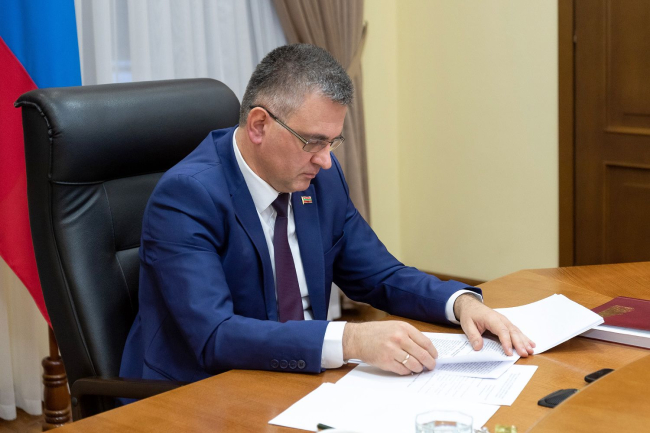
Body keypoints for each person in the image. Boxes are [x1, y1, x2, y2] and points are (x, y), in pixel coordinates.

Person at [119, 44, 534, 384]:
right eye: (313, 142)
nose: (325, 160)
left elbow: (380, 275)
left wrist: (460, 303)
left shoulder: (319, 180)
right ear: (259, 125)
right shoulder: (187, 197)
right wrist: (350, 340)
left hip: (300, 378)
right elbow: (215, 335)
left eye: (332, 142)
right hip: (198, 392)